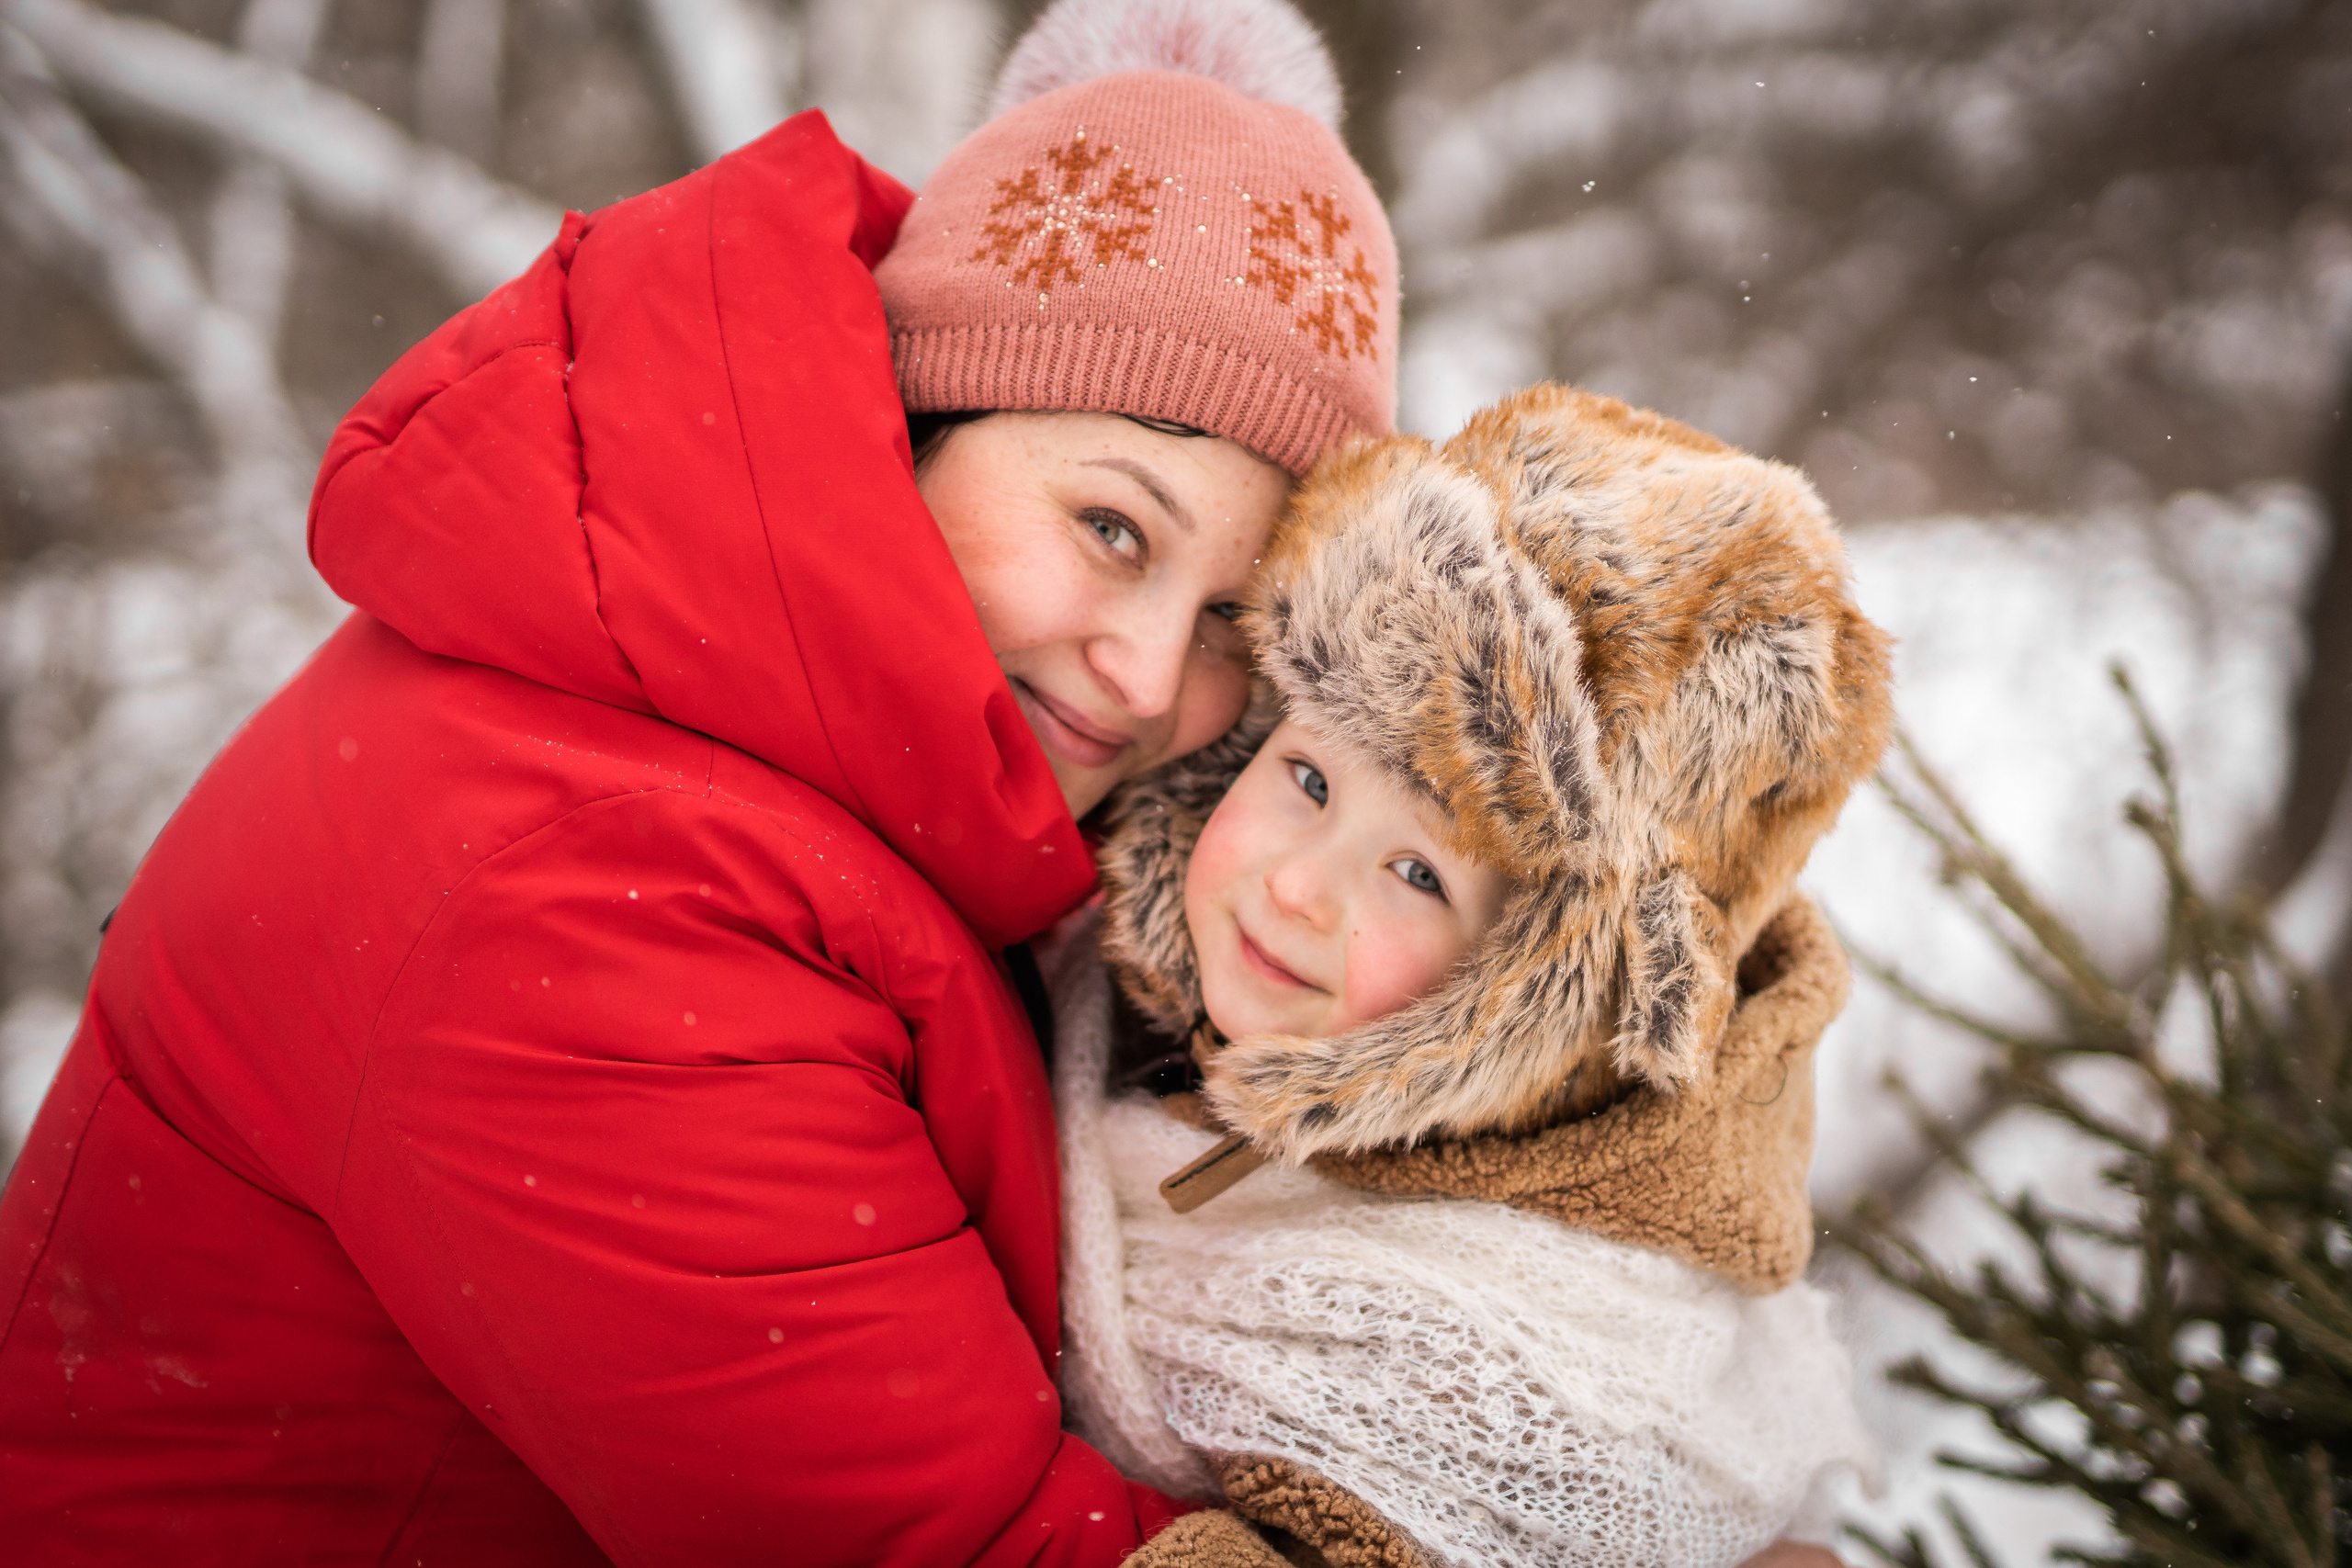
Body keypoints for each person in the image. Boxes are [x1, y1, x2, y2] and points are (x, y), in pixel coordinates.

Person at [0, 2, 1399, 1563]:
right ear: (924, 408)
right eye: (1112, 529)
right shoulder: (589, 892)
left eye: (1229, 617)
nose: (1147, 675)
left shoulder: (773, 727)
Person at [1049, 385, 1897, 1565]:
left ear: (1537, 1002)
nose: (1300, 888)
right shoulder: (1096, 981)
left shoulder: (1507, 1360)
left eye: (1416, 873)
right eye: (1306, 780)